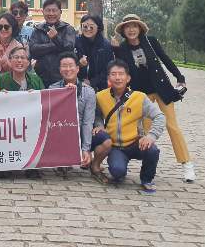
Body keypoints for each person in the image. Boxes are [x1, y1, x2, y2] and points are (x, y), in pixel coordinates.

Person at [112, 14, 195, 182]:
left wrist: (180, 77)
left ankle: (187, 164)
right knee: (147, 130)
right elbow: (121, 70)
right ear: (123, 31)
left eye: (134, 26)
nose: (131, 30)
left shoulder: (151, 41)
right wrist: (115, 50)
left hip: (162, 89)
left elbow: (165, 59)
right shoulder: (122, 48)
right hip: (142, 94)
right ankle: (150, 165)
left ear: (140, 28)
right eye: (127, 27)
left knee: (172, 126)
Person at [94, 59, 166, 193]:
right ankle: (120, 169)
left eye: (121, 74)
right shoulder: (100, 96)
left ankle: (147, 179)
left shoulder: (139, 97)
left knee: (152, 150)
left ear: (128, 78)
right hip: (116, 146)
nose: (117, 77)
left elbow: (159, 116)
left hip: (136, 143)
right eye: (113, 74)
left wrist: (151, 136)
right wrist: (99, 125)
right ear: (108, 77)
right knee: (117, 172)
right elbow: (97, 115)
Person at [49, 52, 112, 183]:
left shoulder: (89, 91)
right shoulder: (52, 89)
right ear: (59, 69)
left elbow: (87, 122)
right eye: (64, 66)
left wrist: (86, 149)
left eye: (71, 65)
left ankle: (94, 165)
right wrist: (65, 94)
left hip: (83, 132)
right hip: (63, 134)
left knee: (106, 141)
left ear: (77, 68)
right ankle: (64, 159)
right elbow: (52, 118)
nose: (68, 69)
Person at [29, 0, 76, 87]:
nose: (51, 13)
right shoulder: (38, 29)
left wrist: (55, 38)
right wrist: (55, 45)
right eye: (48, 10)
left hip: (63, 78)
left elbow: (69, 49)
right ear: (43, 12)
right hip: (41, 78)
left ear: (60, 12)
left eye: (54, 10)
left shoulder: (68, 29)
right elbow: (33, 50)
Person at [74, 14, 113, 92]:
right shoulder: (76, 42)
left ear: (98, 27)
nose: (88, 29)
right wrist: (79, 64)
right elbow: (70, 64)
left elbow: (108, 69)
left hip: (100, 87)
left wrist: (92, 82)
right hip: (78, 85)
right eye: (85, 26)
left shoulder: (105, 45)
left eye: (91, 27)